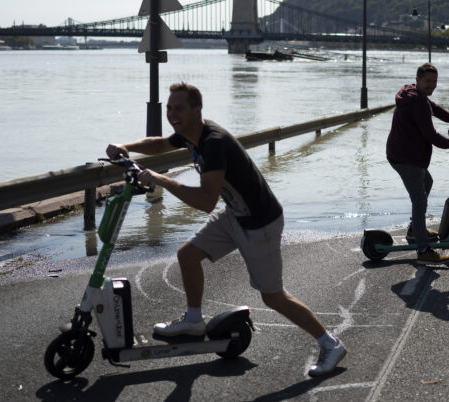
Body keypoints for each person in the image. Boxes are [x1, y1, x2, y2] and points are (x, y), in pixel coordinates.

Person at [105, 82, 346, 377]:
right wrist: (125, 146)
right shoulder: (191, 134)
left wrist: (162, 180)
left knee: (273, 297)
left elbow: (206, 201)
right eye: (169, 108)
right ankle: (194, 321)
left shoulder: (213, 143)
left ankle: (330, 343)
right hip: (236, 214)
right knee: (188, 255)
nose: (172, 114)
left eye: (179, 108)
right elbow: (160, 144)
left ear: (197, 109)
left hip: (261, 223)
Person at [386, 63, 449, 264]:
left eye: (434, 82)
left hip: (403, 153)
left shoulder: (415, 95)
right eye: (428, 81)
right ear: (418, 80)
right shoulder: (417, 103)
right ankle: (423, 250)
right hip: (407, 158)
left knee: (427, 183)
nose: (431, 85)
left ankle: (415, 231)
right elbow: (431, 135)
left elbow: (435, 109)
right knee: (419, 201)